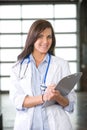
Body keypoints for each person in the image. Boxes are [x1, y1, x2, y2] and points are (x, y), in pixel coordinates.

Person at [10, 19, 76, 130]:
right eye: (40, 36)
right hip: (28, 125)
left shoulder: (61, 64)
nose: (45, 41)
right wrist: (44, 97)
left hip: (56, 125)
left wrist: (57, 96)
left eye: (49, 37)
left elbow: (70, 104)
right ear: (32, 38)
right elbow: (17, 101)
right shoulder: (18, 67)